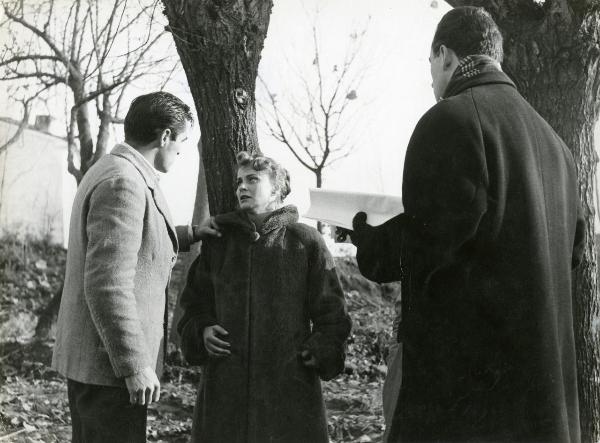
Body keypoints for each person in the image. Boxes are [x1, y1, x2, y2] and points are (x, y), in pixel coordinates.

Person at [351, 7, 585, 442]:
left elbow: (430, 243)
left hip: (470, 404)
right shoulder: (558, 148)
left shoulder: (450, 120)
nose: (432, 80)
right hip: (541, 405)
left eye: (431, 66)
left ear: (445, 55)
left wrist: (369, 239)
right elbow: (574, 252)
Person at [52, 91, 219, 443]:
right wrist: (134, 365)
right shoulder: (124, 183)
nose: (180, 151)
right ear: (164, 137)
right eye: (182, 141)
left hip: (97, 366)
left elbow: (132, 242)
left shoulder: (115, 169)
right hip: (109, 370)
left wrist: (189, 233)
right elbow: (107, 285)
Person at [178, 151, 352, 443]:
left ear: (276, 188)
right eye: (238, 182)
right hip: (225, 390)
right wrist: (202, 329)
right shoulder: (219, 243)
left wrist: (321, 348)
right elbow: (193, 305)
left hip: (289, 390)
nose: (241, 187)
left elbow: (332, 313)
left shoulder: (305, 241)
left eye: (252, 180)